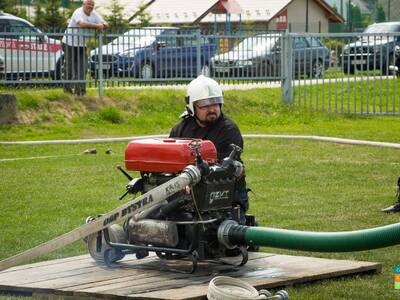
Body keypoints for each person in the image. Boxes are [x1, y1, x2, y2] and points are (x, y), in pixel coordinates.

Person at [169, 75, 249, 222]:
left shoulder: (228, 129)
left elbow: (225, 170)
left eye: (216, 103)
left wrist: (190, 183)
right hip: (184, 196)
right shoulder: (180, 129)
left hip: (224, 197)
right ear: (192, 107)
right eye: (205, 105)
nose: (212, 109)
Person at [62, 0, 108, 96]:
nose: (90, 6)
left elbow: (106, 24)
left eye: (92, 5)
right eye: (88, 4)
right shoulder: (78, 12)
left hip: (82, 45)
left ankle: (80, 92)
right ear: (83, 4)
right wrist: (97, 26)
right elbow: (82, 24)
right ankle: (67, 90)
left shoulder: (94, 14)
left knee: (82, 68)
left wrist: (102, 25)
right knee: (70, 67)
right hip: (69, 43)